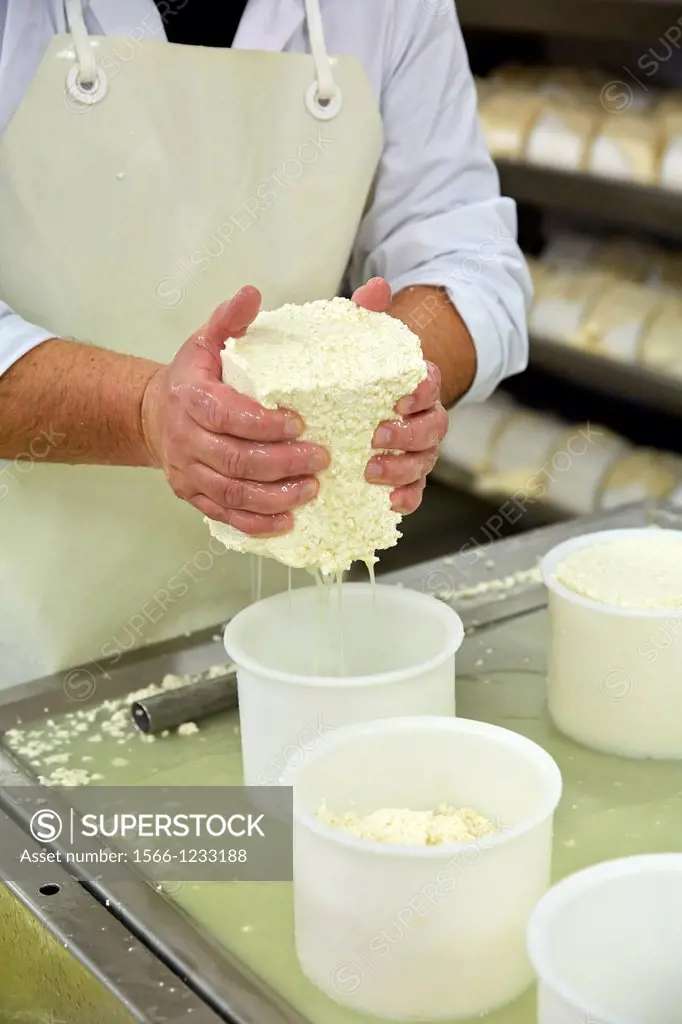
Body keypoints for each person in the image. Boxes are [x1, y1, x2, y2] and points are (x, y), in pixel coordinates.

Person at [0, 0, 530, 687]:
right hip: (22, 644)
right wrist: (145, 413)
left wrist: (396, 367)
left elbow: (465, 250)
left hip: (299, 626)